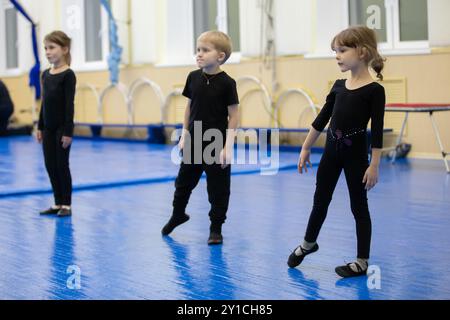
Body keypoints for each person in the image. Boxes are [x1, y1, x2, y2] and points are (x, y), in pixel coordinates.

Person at [287, 26, 386, 278]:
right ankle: (309, 243)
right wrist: (306, 146)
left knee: (358, 207)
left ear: (362, 52)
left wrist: (374, 164)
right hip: (331, 153)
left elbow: (377, 130)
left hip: (356, 157)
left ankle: (362, 261)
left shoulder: (374, 91)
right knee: (320, 200)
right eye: (335, 51)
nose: (337, 56)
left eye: (342, 50)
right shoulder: (339, 85)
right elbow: (322, 118)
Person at [162, 31, 239, 245]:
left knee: (218, 188)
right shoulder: (193, 77)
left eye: (205, 50)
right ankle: (178, 214)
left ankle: (216, 228)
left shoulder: (227, 83)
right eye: (198, 50)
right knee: (183, 182)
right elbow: (188, 107)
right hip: (194, 140)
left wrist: (228, 146)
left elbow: (234, 116)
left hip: (216, 142)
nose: (199, 55)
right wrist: (184, 135)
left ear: (220, 56)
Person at [37, 31, 76, 217]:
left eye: (51, 47)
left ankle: (66, 205)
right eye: (45, 48)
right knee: (50, 165)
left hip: (62, 129)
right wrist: (39, 126)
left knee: (62, 165)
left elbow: (69, 105)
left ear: (64, 49)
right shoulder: (45, 74)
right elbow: (44, 102)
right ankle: (57, 202)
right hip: (48, 128)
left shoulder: (68, 75)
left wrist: (68, 131)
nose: (47, 52)